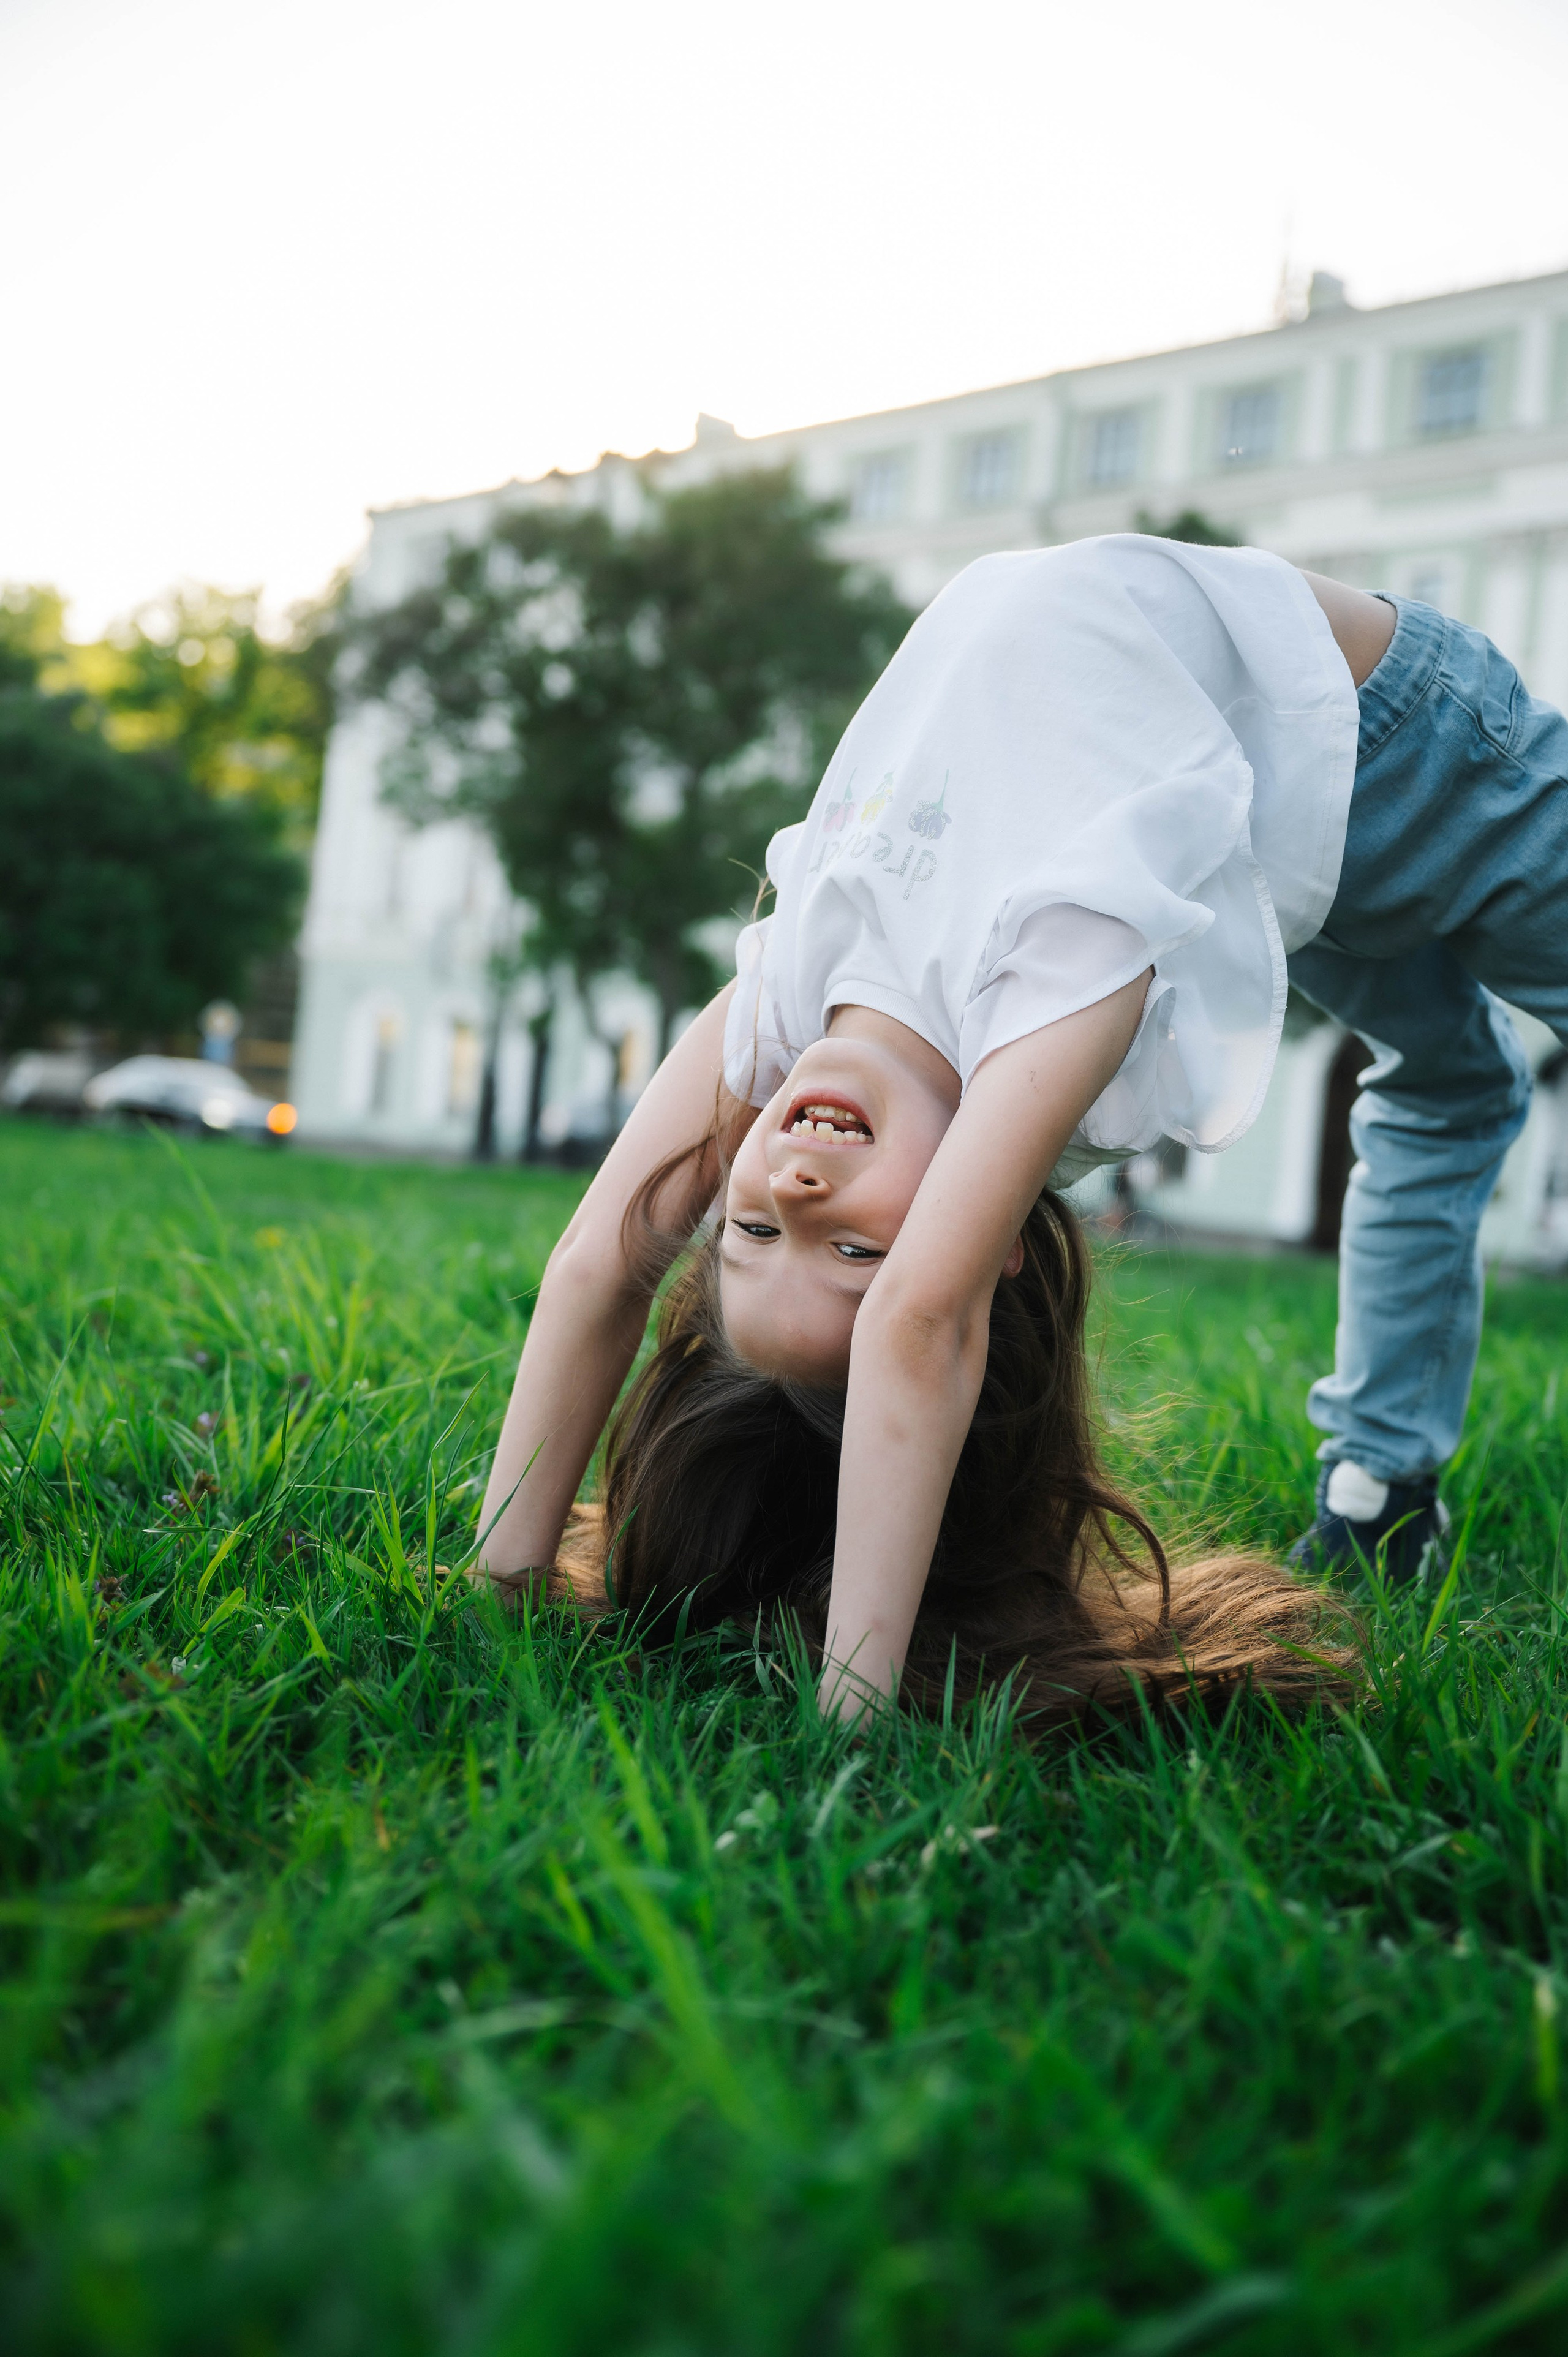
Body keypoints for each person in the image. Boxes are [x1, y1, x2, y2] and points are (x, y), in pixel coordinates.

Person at [475, 532, 1561, 1719]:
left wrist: (503, 1580)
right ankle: (1382, 1487)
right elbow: (923, 1321)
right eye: (854, 1251)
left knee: (1451, 1083)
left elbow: (601, 1259)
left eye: (749, 1230)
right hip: (1389, 765)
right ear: (979, 1241)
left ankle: (1379, 1479)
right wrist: (851, 1715)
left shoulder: (792, 988)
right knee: (1449, 1085)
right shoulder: (1053, 967)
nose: (791, 1191)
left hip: (1303, 757)